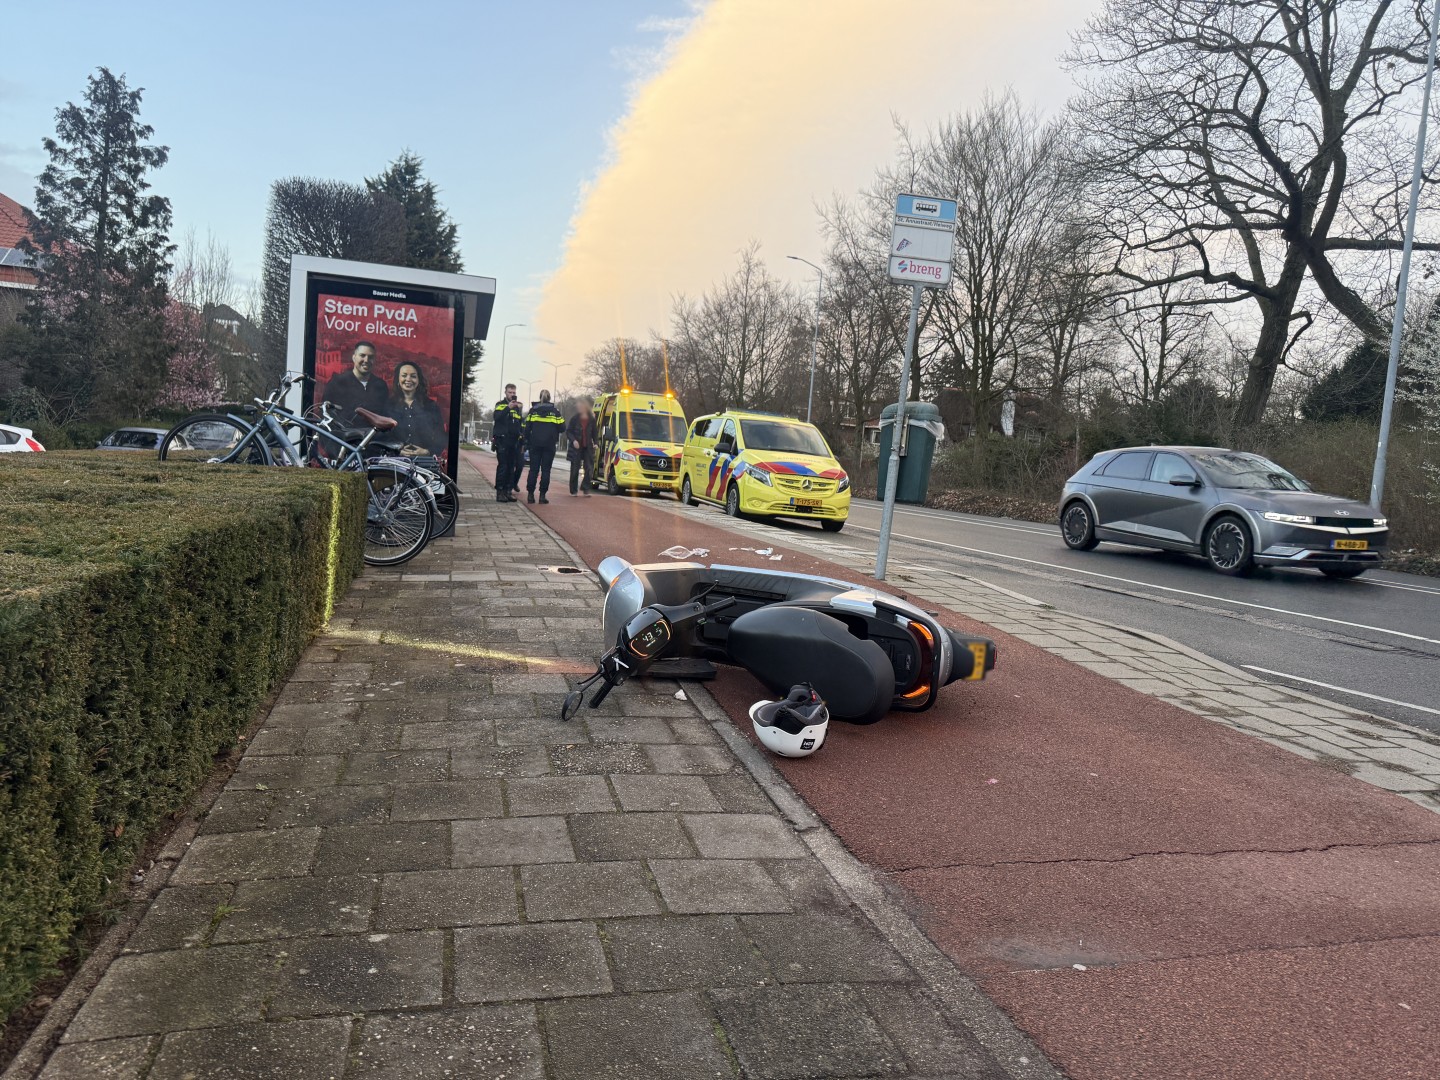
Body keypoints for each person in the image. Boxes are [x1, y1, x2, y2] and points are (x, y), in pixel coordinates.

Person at [388, 361, 447, 458]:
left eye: (413, 376)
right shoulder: (388, 405)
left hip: (424, 463)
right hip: (395, 462)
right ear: (398, 380)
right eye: (404, 375)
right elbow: (383, 437)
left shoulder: (431, 406)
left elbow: (440, 438)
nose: (408, 379)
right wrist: (397, 450)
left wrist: (427, 452)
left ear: (418, 380)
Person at [322, 342, 390, 423]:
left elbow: (385, 417)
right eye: (362, 355)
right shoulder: (337, 382)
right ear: (354, 358)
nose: (366, 360)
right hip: (343, 434)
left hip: (373, 435)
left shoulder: (381, 386)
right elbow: (326, 414)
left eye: (370, 357)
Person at [523, 388, 565, 504]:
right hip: (549, 445)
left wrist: (527, 442)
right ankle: (542, 496)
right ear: (549, 398)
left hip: (535, 444)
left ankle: (530, 495)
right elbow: (563, 428)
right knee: (546, 471)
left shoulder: (533, 411)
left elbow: (527, 428)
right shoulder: (555, 412)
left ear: (539, 398)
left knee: (533, 470)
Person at [491, 383, 525, 503]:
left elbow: (519, 423)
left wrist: (521, 437)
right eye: (510, 392)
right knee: (503, 466)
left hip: (513, 441)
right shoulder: (500, 405)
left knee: (511, 467)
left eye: (514, 393)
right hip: (502, 440)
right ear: (505, 393)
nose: (512, 395)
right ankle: (499, 492)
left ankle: (508, 491)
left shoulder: (517, 408)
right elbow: (497, 417)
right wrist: (507, 408)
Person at [565, 397, 597, 496]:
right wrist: (574, 440)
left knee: (589, 468)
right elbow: (568, 431)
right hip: (576, 447)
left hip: (587, 446)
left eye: (581, 406)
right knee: (575, 469)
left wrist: (596, 443)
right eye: (578, 406)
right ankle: (573, 490)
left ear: (585, 406)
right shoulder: (574, 419)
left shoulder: (591, 419)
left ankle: (585, 488)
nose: (579, 408)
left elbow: (595, 432)